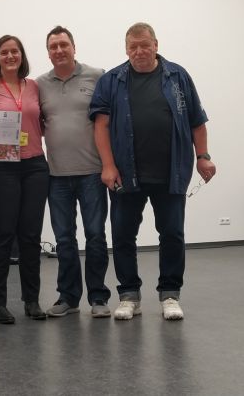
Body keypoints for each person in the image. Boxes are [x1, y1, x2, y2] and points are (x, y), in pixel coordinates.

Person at [89, 22, 216, 321]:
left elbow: (197, 121)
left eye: (145, 45)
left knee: (172, 234)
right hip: (125, 174)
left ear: (156, 45)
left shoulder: (178, 77)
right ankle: (129, 296)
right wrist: (108, 165)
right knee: (123, 236)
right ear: (126, 49)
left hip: (171, 173)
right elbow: (101, 126)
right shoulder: (111, 81)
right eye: (133, 47)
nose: (139, 51)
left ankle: (170, 294)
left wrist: (203, 157)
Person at [0, 35, 50, 324]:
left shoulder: (34, 87)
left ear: (21, 56)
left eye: (14, 51)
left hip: (34, 166)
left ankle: (32, 300)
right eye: (4, 52)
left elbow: (42, 122)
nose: (10, 56)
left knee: (30, 236)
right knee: (2, 235)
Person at [37, 26, 111, 318]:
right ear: (48, 52)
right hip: (56, 176)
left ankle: (98, 298)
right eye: (53, 46)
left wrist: (110, 164)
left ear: (73, 47)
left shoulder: (97, 76)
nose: (59, 50)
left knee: (95, 236)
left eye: (63, 45)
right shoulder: (40, 84)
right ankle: (68, 297)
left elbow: (109, 121)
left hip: (92, 172)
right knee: (64, 239)